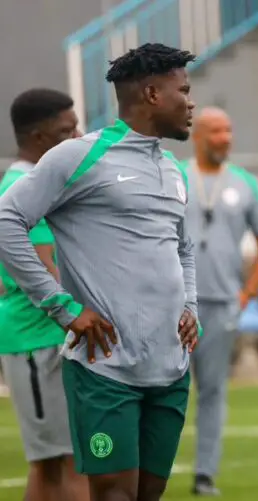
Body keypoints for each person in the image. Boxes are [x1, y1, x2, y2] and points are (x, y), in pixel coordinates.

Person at [0, 43, 200, 501]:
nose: (191, 103)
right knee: (112, 495)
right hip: (105, 369)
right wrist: (62, 307)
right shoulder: (79, 157)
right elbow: (6, 220)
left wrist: (191, 304)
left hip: (169, 367)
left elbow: (184, 249)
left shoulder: (173, 169)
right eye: (184, 91)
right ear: (152, 94)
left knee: (148, 495)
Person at [0, 88, 88, 501]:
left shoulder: (38, 183)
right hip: (38, 340)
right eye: (67, 131)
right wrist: (81, 315)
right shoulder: (23, 187)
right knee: (68, 463)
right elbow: (43, 265)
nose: (79, 138)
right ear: (39, 138)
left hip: (48, 338)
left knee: (53, 466)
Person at [185, 107, 258, 496]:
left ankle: (205, 473)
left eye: (228, 130)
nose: (225, 138)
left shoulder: (246, 183)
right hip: (174, 305)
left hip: (222, 303)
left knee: (212, 390)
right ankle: (148, 469)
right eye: (216, 131)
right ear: (197, 136)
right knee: (161, 388)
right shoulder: (175, 177)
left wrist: (247, 292)